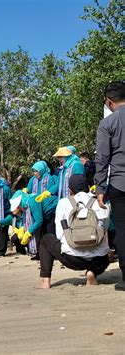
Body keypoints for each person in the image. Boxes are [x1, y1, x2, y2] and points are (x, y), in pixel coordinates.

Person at [37, 175, 110, 289]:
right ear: (89, 187)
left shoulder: (64, 203)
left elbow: (60, 234)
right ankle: (92, 272)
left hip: (73, 258)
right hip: (98, 259)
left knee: (46, 240)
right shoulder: (100, 202)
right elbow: (105, 229)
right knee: (104, 251)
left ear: (70, 190)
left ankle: (45, 280)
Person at [95, 80, 125, 291]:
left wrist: (99, 188)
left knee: (122, 231)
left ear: (109, 102)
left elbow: (103, 159)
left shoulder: (107, 124)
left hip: (120, 183)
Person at [0, 190, 58, 259]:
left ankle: (53, 254)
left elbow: (39, 221)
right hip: (45, 214)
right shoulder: (25, 205)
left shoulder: (32, 202)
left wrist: (28, 233)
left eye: (17, 206)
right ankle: (40, 254)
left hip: (53, 211)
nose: (18, 208)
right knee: (39, 232)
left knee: (49, 232)